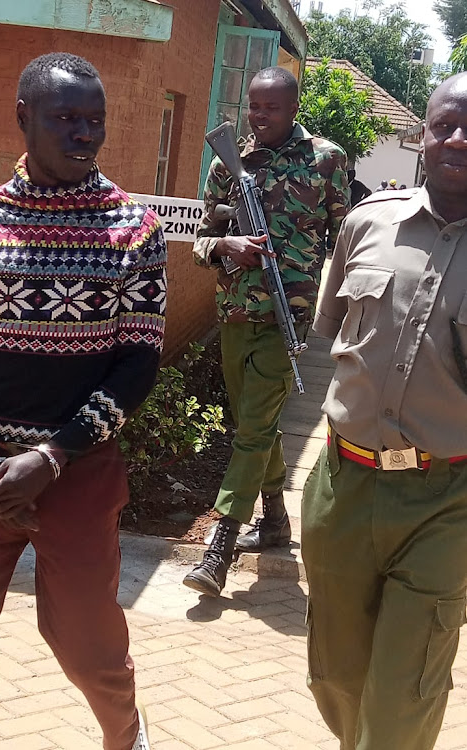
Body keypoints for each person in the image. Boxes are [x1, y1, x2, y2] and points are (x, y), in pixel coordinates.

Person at [0, 52, 166, 750]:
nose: (84, 134)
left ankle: (125, 734)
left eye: (93, 120)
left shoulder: (133, 228)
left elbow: (137, 362)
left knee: (87, 646)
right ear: (24, 118)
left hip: (78, 475)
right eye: (66, 118)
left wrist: (51, 458)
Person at [302, 71, 467, 750]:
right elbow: (333, 330)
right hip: (344, 483)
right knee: (335, 674)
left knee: (405, 693)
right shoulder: (367, 222)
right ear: (421, 134)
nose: (458, 138)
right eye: (445, 124)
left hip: (444, 499)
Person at [182, 66, 350, 597]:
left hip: (288, 316)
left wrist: (343, 309)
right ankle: (275, 518)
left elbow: (347, 239)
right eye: (253, 106)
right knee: (255, 420)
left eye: (270, 108)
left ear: (293, 108)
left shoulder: (326, 160)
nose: (258, 116)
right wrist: (226, 246)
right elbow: (201, 240)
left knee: (252, 429)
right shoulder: (228, 162)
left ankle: (220, 547)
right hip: (234, 310)